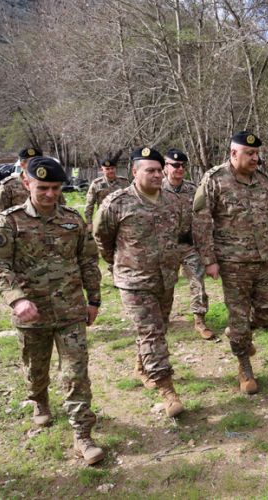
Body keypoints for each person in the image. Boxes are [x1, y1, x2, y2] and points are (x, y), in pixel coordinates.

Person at [0, 156, 105, 465]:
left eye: (55, 187)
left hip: (70, 312)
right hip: (31, 315)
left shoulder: (73, 220)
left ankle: (82, 435)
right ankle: (39, 399)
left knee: (76, 374)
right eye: (43, 188)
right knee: (36, 371)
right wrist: (16, 299)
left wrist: (94, 300)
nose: (50, 194)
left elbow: (88, 260)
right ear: (27, 184)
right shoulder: (10, 222)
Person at [93, 147, 192, 417]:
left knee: (159, 327)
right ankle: (167, 390)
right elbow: (102, 237)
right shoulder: (117, 203)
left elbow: (181, 232)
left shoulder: (173, 201)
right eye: (150, 170)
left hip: (166, 278)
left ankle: (142, 366)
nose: (157, 175)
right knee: (152, 332)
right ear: (135, 172)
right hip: (134, 280)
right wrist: (118, 263)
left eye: (159, 170)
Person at [194, 132, 268, 394]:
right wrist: (209, 260)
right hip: (232, 262)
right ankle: (244, 366)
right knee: (238, 315)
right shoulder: (215, 179)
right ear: (234, 153)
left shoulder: (263, 180)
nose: (255, 158)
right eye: (250, 153)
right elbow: (201, 221)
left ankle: (241, 333)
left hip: (263, 258)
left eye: (257, 153)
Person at [162, 148, 215, 340]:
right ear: (165, 167)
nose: (180, 169)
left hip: (189, 245)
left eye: (183, 166)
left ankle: (199, 321)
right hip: (165, 247)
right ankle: (163, 319)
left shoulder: (193, 190)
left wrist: (207, 253)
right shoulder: (156, 190)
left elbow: (204, 220)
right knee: (165, 285)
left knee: (197, 282)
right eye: (175, 165)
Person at [0, 147, 66, 226]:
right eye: (31, 162)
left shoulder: (50, 185)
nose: (36, 166)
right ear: (22, 165)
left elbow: (62, 208)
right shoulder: (9, 185)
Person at [84, 158, 130, 231]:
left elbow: (131, 200)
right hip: (103, 220)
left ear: (115, 168)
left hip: (121, 219)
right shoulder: (96, 184)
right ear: (102, 170)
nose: (111, 171)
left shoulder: (124, 182)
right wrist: (89, 222)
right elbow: (89, 204)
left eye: (112, 168)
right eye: (107, 169)